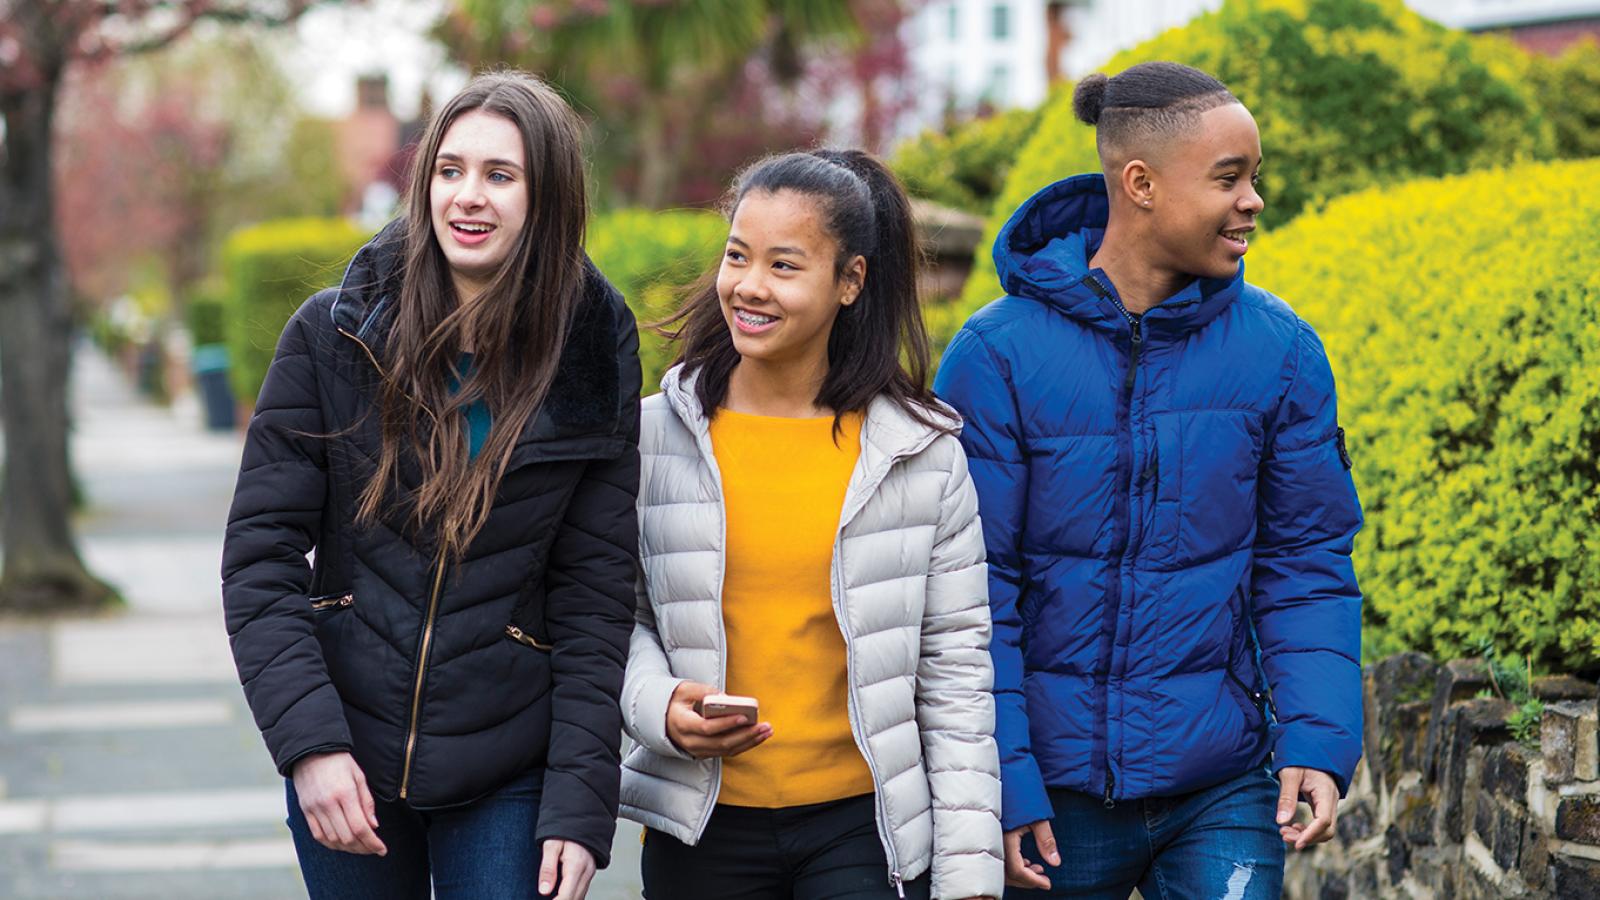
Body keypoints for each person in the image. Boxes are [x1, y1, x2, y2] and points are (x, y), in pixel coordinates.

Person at [933, 62, 1364, 898]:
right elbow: (975, 591)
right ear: (1140, 184)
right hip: (1054, 798)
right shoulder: (996, 357)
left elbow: (1305, 562)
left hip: (1222, 780)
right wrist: (1006, 780)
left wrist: (1316, 737)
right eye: (1229, 179)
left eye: (1255, 178)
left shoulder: (1281, 353)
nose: (1253, 201)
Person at [221, 71, 641, 900]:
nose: (467, 197)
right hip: (349, 753)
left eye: (500, 175)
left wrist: (580, 805)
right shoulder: (332, 332)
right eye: (449, 171)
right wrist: (310, 746)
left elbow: (596, 594)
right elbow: (259, 560)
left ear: (547, 196)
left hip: (509, 760)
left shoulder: (594, 347)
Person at [617, 149, 1004, 900]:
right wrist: (658, 704)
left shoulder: (919, 454)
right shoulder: (650, 439)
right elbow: (610, 617)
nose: (749, 287)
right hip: (701, 825)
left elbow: (955, 669)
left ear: (850, 281)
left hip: (864, 830)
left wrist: (969, 876)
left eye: (784, 266)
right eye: (738, 257)